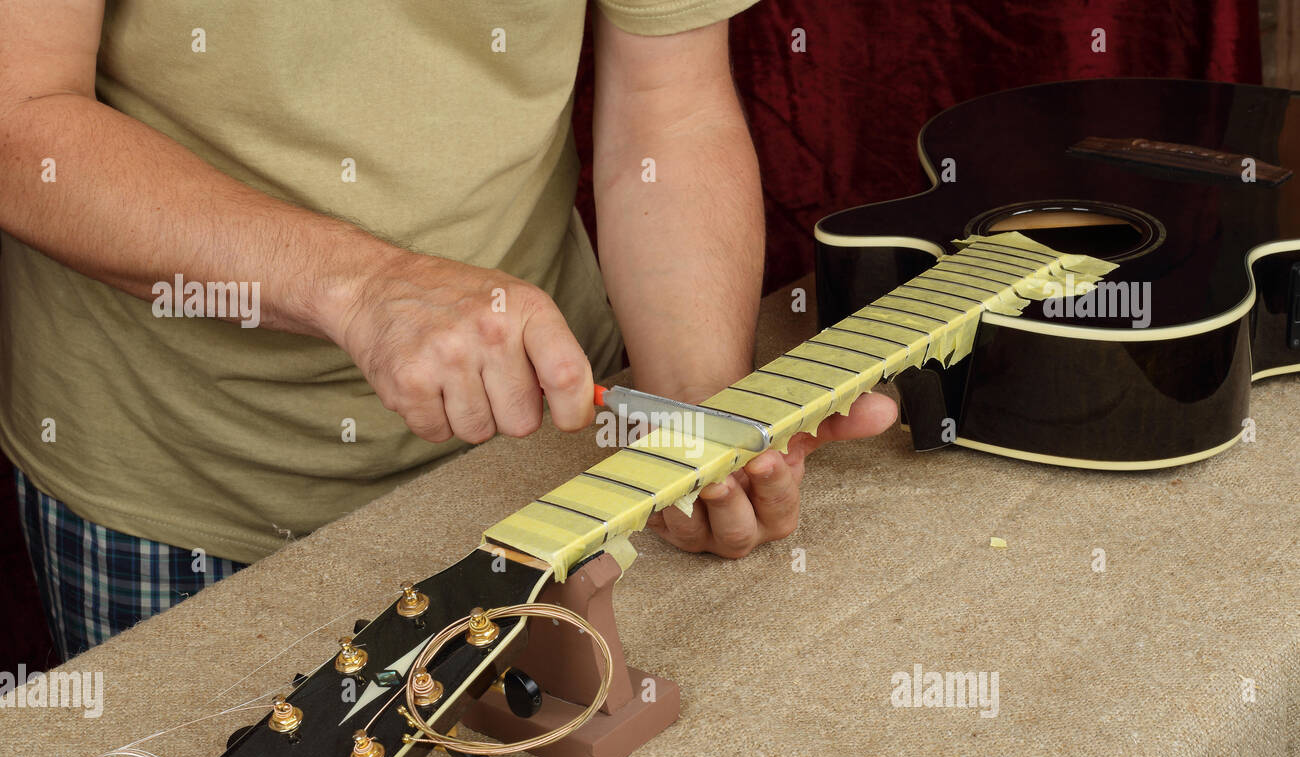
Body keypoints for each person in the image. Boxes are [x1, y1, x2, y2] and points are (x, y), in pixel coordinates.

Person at [0, 0, 896, 659]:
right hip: (185, 478)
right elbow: (17, 118)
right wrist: (365, 288)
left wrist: (696, 417)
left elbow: (672, 106)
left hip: (534, 456)